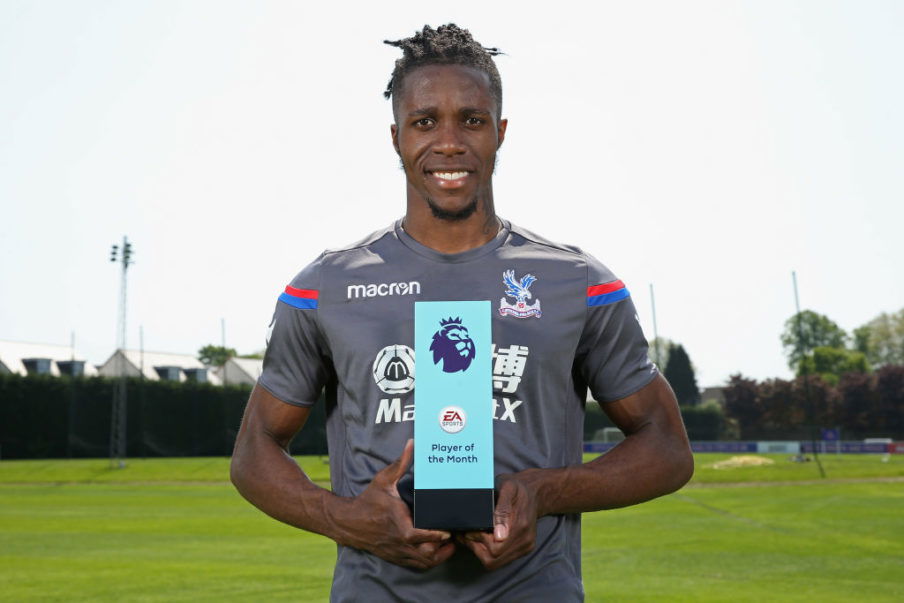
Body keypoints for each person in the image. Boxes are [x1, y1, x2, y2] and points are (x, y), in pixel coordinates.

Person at [231, 23, 693, 602]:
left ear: (499, 133)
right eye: (425, 122)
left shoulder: (578, 282)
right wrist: (344, 518)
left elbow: (668, 448)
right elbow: (254, 452)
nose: (449, 143)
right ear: (396, 135)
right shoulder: (326, 286)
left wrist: (543, 492)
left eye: (471, 120)